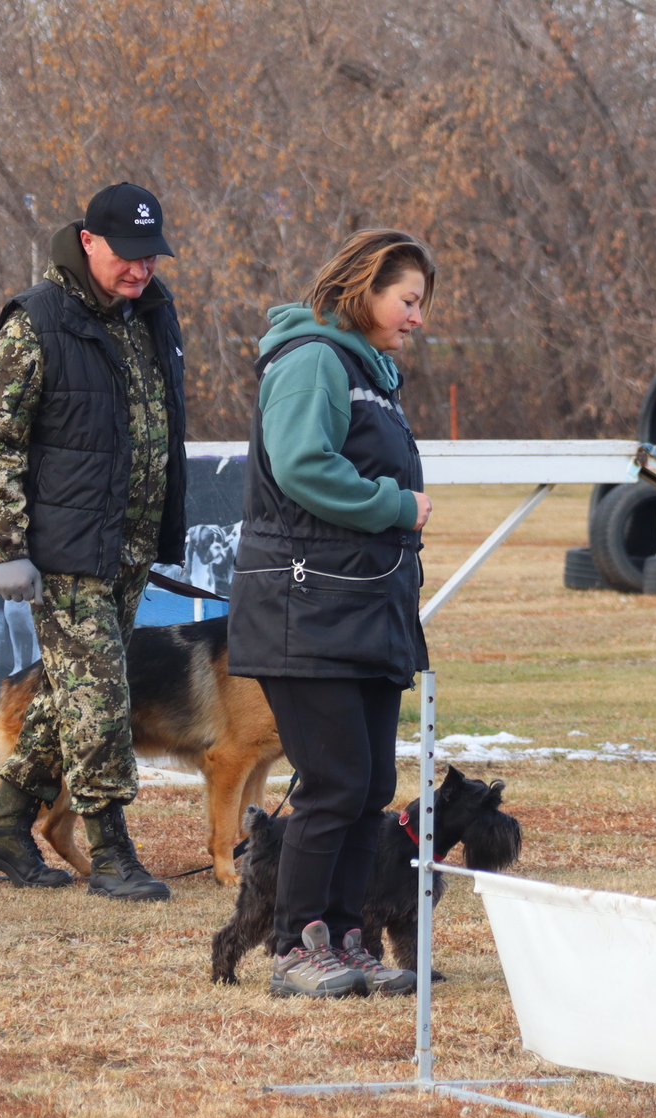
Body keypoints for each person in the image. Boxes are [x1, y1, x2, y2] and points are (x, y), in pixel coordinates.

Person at [0, 182, 188, 900]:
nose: (140, 270)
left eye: (151, 257)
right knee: (100, 698)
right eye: (128, 256)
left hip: (128, 546)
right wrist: (7, 548)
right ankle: (112, 850)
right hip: (63, 552)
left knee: (70, 696)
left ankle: (1, 828)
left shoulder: (152, 312)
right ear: (88, 241)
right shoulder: (36, 321)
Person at [228, 229, 436, 1000]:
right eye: (407, 299)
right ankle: (296, 946)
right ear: (363, 286)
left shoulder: (371, 373)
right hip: (303, 607)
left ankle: (348, 938)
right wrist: (396, 505)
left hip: (363, 606)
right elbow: (303, 464)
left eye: (420, 303)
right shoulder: (313, 359)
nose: (416, 317)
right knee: (336, 780)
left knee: (373, 780)